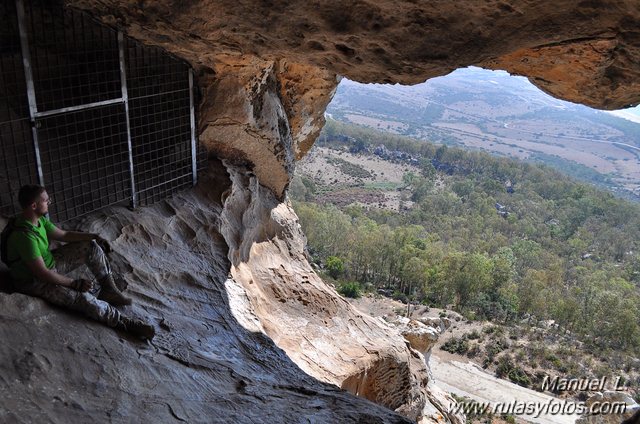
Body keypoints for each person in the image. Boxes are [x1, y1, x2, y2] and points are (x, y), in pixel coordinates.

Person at [3, 184, 154, 340]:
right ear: (34, 205)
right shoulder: (24, 236)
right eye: (46, 200)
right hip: (35, 281)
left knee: (90, 246)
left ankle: (109, 289)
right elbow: (43, 274)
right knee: (82, 298)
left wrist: (93, 236)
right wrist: (74, 284)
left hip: (50, 266)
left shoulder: (37, 220)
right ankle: (123, 322)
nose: (49, 202)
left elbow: (64, 234)